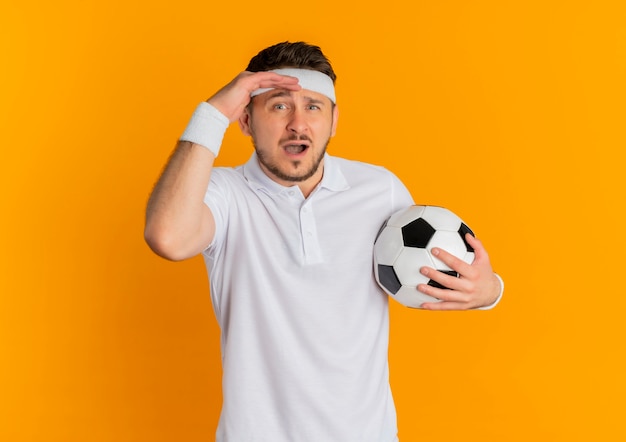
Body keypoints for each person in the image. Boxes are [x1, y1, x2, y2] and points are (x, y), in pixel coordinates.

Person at [144, 41, 503, 442]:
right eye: (279, 105)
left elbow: (434, 274)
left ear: (333, 121)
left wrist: (489, 289)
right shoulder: (223, 194)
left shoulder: (380, 189)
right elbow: (168, 237)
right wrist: (210, 115)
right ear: (244, 120)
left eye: (313, 106)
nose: (298, 123)